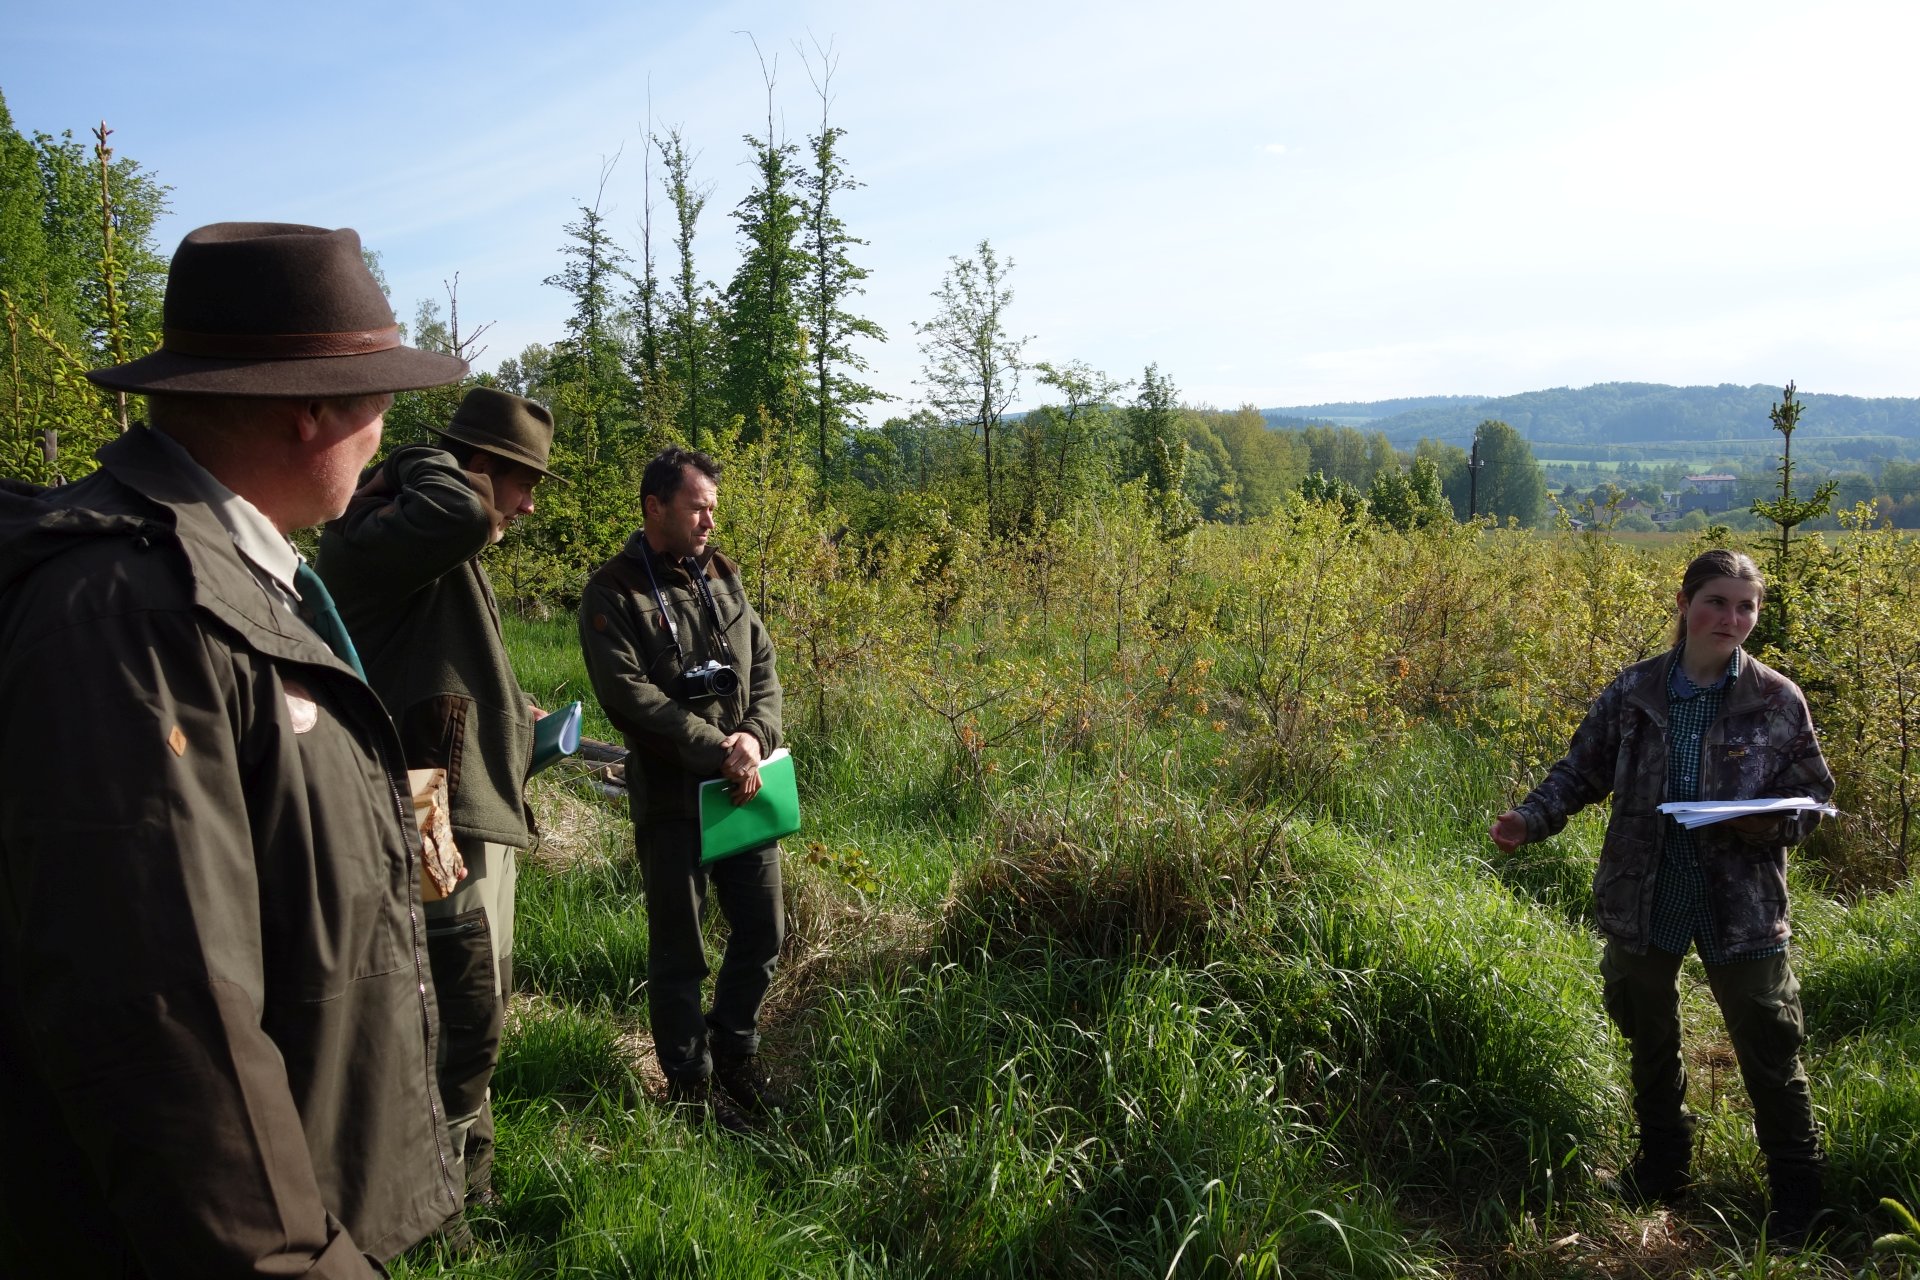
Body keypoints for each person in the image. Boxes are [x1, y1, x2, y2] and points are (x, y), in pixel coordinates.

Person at [0, 222, 470, 1275]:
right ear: (311, 410)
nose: (386, 430)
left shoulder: (229, 578)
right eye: (380, 397)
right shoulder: (134, 619)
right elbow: (166, 1027)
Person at [1490, 548, 1834, 1244]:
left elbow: (1813, 801)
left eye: (1745, 607)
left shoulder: (1776, 699)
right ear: (1684, 604)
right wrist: (1531, 819)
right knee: (1648, 1034)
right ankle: (1662, 1168)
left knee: (1769, 1045)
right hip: (1645, 892)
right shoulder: (1636, 690)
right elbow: (1581, 771)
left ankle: (1800, 1199)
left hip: (1742, 902)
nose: (1731, 618)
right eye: (1716, 602)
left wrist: (1762, 821)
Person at [316, 386, 559, 1224]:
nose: (529, 505)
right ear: (478, 467)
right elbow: (458, 513)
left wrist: (511, 714)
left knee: (481, 999)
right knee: (454, 1008)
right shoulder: (389, 528)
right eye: (523, 482)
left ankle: (470, 1188)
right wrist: (430, 456)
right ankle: (431, 1214)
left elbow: (436, 656)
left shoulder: (428, 539)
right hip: (426, 811)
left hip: (464, 804)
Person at [578, 446, 785, 1129]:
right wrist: (716, 748)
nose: (708, 523)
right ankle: (691, 1091)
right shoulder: (612, 591)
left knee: (764, 930)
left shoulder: (722, 573)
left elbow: (763, 664)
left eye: (713, 510)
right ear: (655, 506)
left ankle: (735, 1054)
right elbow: (629, 696)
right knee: (680, 950)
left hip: (744, 787)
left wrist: (754, 735)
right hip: (673, 798)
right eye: (697, 508)